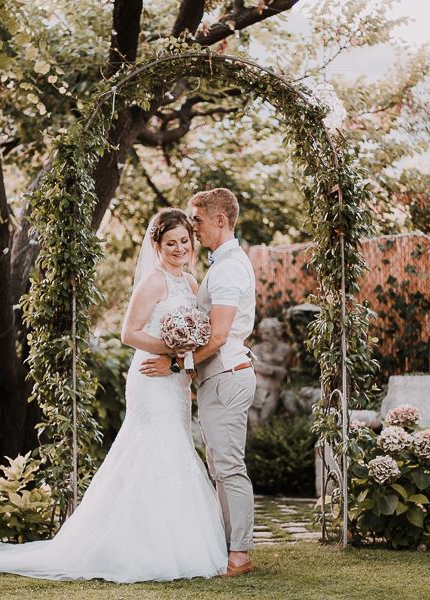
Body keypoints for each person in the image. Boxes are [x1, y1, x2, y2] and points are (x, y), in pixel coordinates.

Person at [0, 208, 227, 582]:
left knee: (177, 444)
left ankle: (179, 541)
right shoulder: (153, 283)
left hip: (174, 381)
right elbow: (128, 333)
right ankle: (140, 547)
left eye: (184, 241)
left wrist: (183, 357)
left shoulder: (190, 282)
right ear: (157, 244)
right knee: (152, 445)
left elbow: (199, 335)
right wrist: (171, 352)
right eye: (171, 243)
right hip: (152, 378)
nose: (179, 248)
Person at [142, 188, 257, 577]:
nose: (193, 228)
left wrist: (177, 363)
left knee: (228, 466)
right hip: (218, 377)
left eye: (198, 220)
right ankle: (228, 545)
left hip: (226, 375)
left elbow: (220, 334)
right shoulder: (221, 264)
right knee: (219, 465)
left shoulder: (226, 268)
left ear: (220, 220)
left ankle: (239, 553)